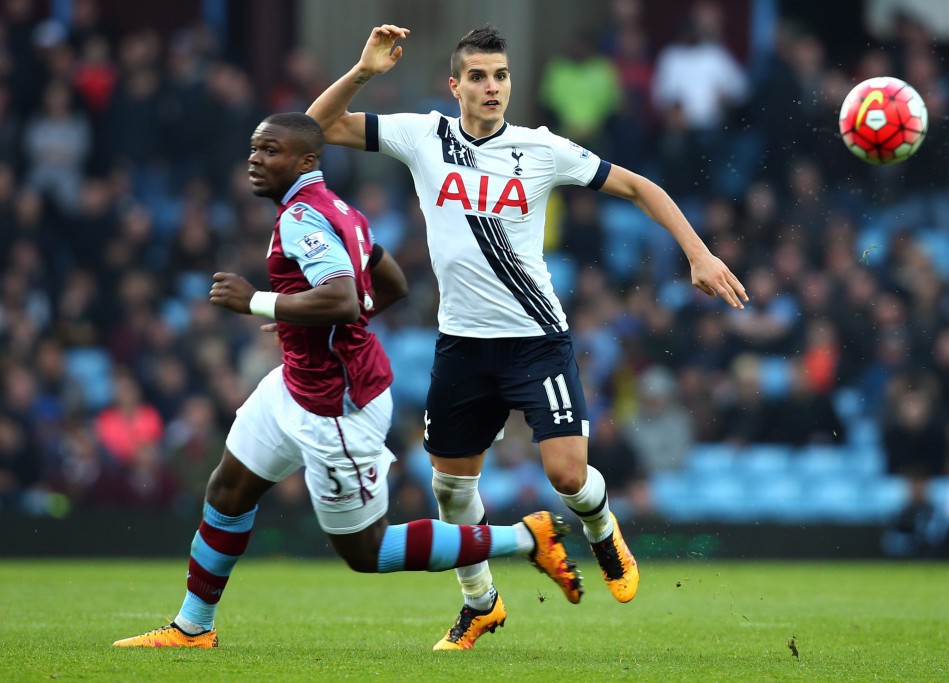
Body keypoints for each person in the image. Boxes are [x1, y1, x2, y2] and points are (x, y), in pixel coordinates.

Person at [306, 25, 748, 650]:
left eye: (502, 75)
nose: (493, 87)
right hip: (462, 344)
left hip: (536, 339)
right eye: (480, 76)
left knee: (567, 476)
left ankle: (600, 527)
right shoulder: (421, 135)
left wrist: (699, 255)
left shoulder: (540, 149)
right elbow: (315, 128)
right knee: (450, 488)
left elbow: (638, 187)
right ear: (454, 84)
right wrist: (362, 71)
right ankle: (480, 604)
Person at [112, 112, 581, 650]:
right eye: (253, 149)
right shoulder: (340, 211)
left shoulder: (302, 218)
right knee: (228, 490)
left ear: (306, 161)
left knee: (366, 551)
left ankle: (527, 537)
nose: (255, 159)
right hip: (295, 383)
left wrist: (257, 301)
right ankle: (193, 627)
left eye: (269, 150)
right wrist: (309, 321)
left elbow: (338, 298)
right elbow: (392, 283)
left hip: (336, 405)